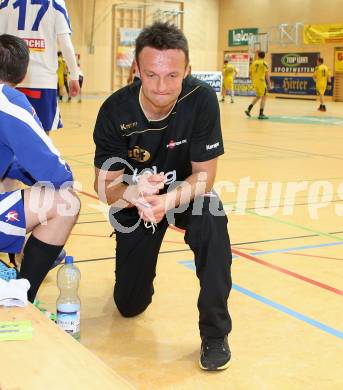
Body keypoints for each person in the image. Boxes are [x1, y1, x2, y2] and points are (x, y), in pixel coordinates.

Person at [93, 22, 232, 371]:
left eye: (173, 76)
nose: (162, 87)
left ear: (187, 70)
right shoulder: (115, 111)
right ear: (136, 69)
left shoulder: (200, 100)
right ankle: (134, 285)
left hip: (184, 194)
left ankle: (215, 334)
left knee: (212, 218)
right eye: (152, 75)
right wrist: (135, 194)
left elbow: (205, 175)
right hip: (135, 202)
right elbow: (105, 188)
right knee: (130, 305)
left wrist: (168, 201)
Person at [0, 34, 80, 301]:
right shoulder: (7, 100)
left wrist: (18, 170)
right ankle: (21, 293)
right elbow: (53, 173)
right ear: (23, 74)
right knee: (66, 202)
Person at [0, 0, 80, 133]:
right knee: (41, 135)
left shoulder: (6, 2)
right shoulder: (56, 3)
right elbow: (65, 44)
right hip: (43, 81)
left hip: (8, 78)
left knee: (7, 135)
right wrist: (74, 76)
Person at [245, 51, 270, 119]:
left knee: (258, 96)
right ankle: (261, 114)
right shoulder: (264, 63)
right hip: (261, 82)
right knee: (264, 97)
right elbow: (266, 75)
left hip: (255, 82)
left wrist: (253, 81)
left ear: (258, 56)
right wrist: (269, 84)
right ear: (264, 56)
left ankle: (248, 109)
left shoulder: (253, 63)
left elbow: (249, 74)